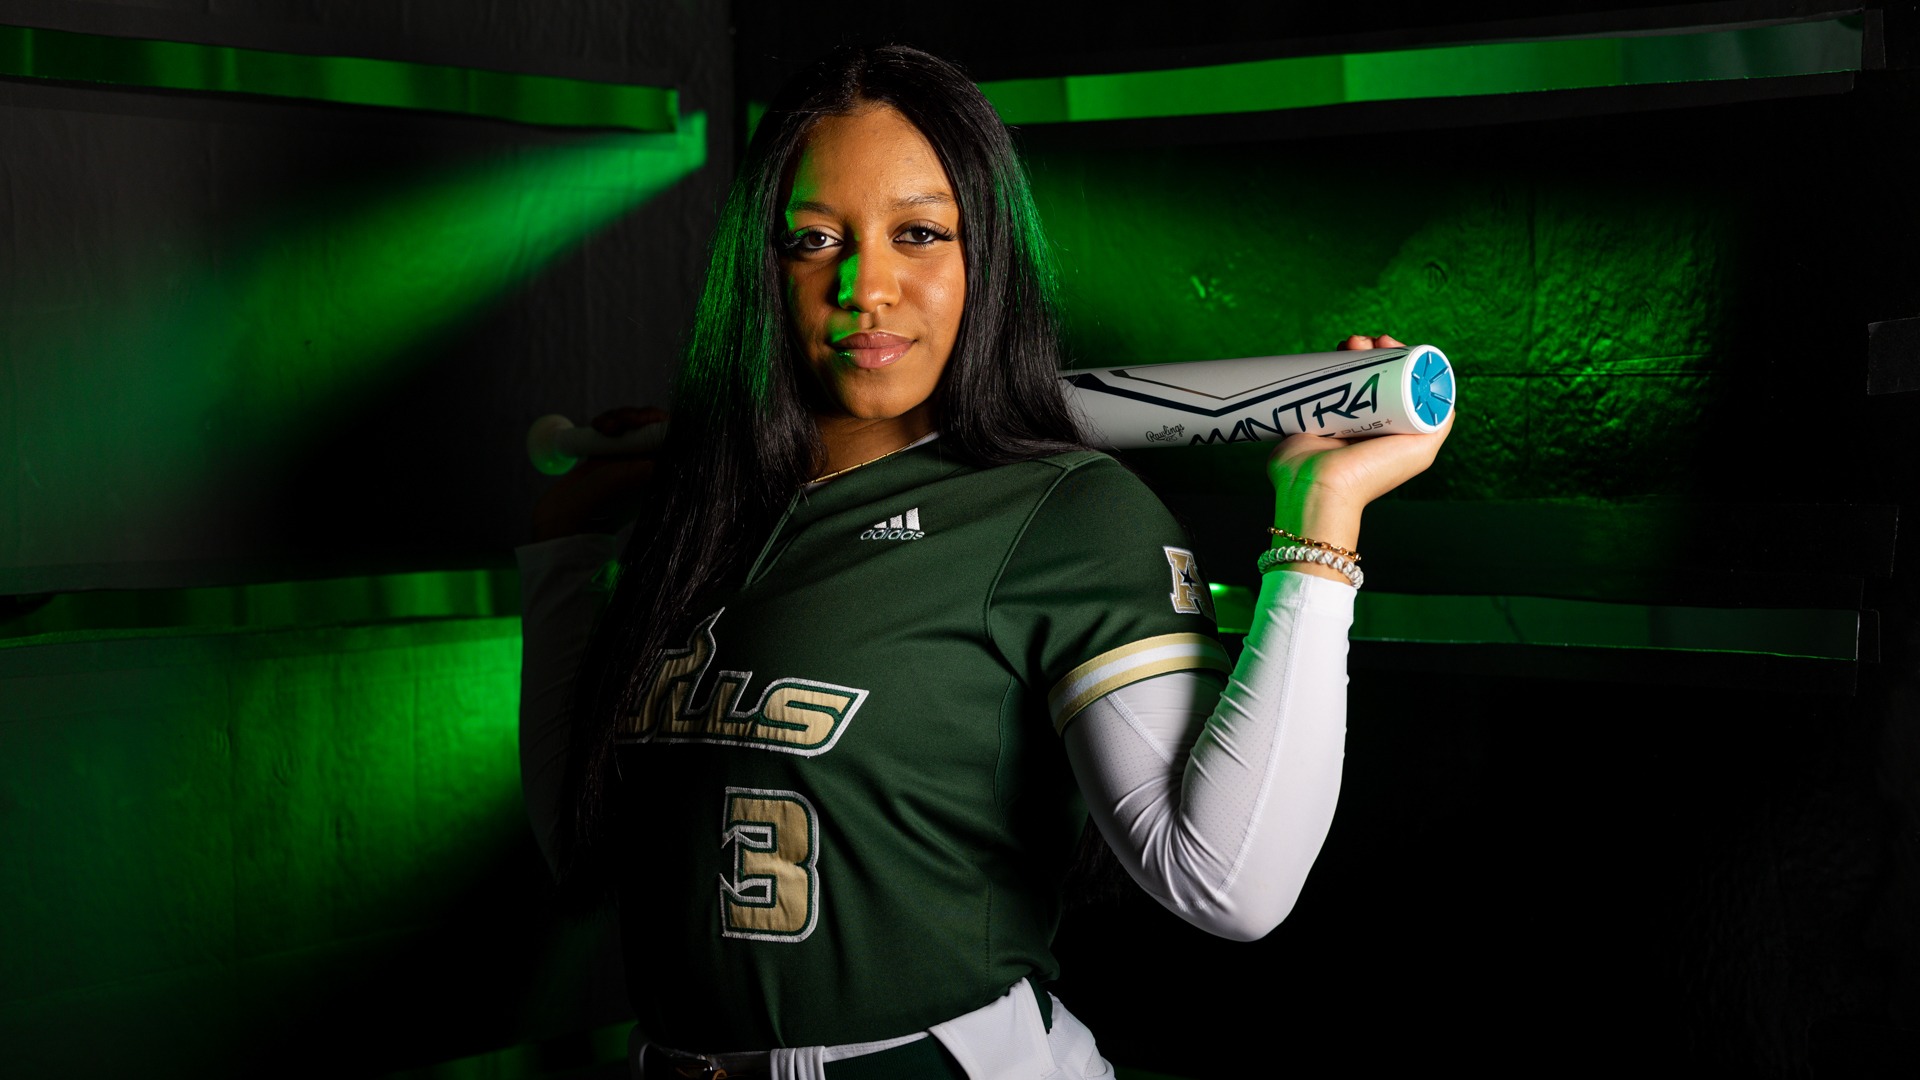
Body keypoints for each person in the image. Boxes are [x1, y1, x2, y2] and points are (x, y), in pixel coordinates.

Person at [517, 44, 1451, 1080]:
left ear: (986, 255)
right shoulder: (702, 516)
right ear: (763, 265)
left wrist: (1320, 522)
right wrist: (563, 551)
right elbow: (583, 847)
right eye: (816, 239)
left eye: (920, 233)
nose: (867, 287)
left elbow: (1229, 883)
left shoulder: (1063, 513)